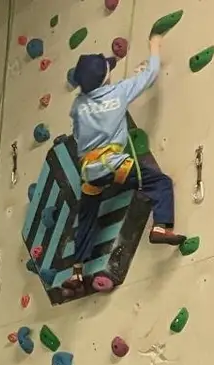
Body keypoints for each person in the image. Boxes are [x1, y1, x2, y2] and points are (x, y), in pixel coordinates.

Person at [59, 36, 182, 293]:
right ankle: (161, 226)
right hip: (116, 167)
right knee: (160, 183)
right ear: (106, 77)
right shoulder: (119, 92)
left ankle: (77, 272)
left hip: (90, 173)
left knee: (87, 217)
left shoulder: (78, 106)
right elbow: (151, 74)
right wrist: (154, 46)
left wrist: (113, 60)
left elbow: (86, 96)